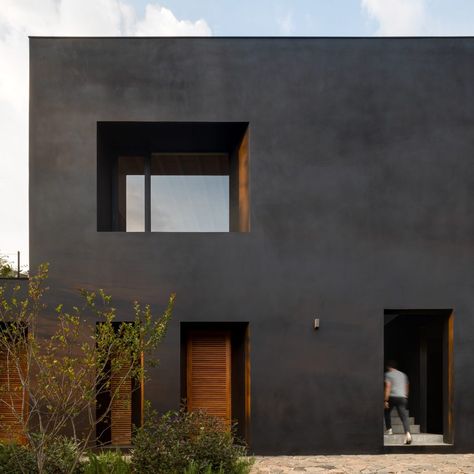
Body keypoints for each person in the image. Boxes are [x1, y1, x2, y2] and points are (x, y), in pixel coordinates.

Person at [384, 360, 412, 445]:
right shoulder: (403, 375)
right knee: (404, 417)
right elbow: (407, 385)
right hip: (402, 397)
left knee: (386, 411)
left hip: (393, 397)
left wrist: (385, 400)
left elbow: (388, 386)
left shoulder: (388, 374)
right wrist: (406, 395)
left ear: (389, 367)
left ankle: (389, 429)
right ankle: (407, 433)